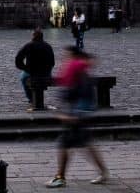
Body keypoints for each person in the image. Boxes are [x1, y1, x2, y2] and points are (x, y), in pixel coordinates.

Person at [45, 47, 108, 188]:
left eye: (67, 55)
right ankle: (103, 172)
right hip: (77, 113)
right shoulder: (80, 70)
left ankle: (60, 177)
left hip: (76, 115)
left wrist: (71, 114)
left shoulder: (77, 70)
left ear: (74, 56)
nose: (64, 57)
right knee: (85, 144)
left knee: (65, 144)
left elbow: (78, 94)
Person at [15, 28, 56, 111]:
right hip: (45, 73)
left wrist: (25, 68)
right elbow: (52, 62)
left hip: (31, 72)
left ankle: (31, 98)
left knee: (23, 78)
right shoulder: (48, 46)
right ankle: (33, 98)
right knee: (35, 77)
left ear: (33, 36)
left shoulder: (28, 45)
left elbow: (18, 59)